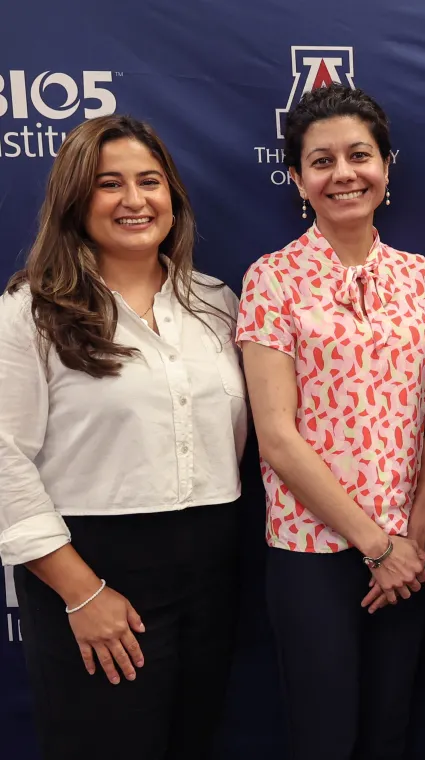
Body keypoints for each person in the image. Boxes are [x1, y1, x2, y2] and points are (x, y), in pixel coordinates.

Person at [0, 115, 247, 760]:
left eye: (150, 181)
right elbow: (3, 458)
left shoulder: (216, 304)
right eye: (110, 184)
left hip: (211, 570)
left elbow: (238, 437)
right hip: (94, 570)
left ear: (174, 198)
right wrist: (82, 591)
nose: (134, 201)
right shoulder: (30, 312)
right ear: (75, 199)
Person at [236, 83, 425, 760]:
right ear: (297, 178)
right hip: (313, 553)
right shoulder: (271, 279)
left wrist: (413, 534)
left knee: (390, 734)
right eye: (321, 161)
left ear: (387, 166)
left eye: (360, 154)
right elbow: (276, 435)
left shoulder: (420, 277)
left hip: (410, 551)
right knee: (325, 738)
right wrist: (375, 545)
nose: (343, 173)